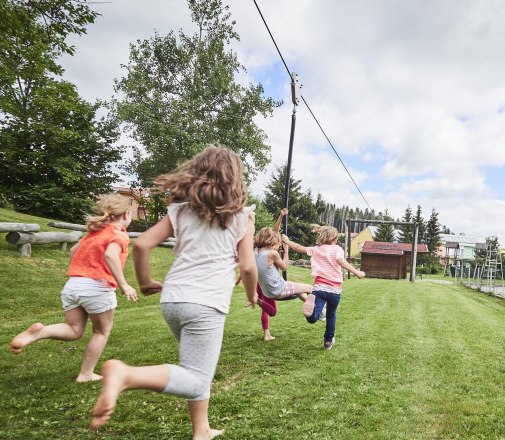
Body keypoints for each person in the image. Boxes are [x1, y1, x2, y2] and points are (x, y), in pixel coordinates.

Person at [90, 146, 259, 440]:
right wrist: (252, 295)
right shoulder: (242, 217)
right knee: (195, 378)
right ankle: (126, 375)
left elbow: (142, 244)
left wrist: (144, 283)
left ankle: (201, 430)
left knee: (196, 367)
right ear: (235, 179)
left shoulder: (179, 211)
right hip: (206, 304)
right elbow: (247, 267)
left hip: (173, 300)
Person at [9, 194, 138, 382]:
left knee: (74, 329)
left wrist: (77, 274)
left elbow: (73, 251)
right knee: (101, 332)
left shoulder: (93, 233)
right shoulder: (119, 234)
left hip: (73, 285)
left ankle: (41, 332)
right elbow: (111, 256)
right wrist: (124, 284)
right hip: (97, 287)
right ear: (126, 214)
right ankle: (86, 374)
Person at [282, 225, 365, 350]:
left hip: (319, 288)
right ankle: (328, 341)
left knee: (315, 316)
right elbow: (341, 262)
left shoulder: (316, 249)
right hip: (335, 289)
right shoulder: (337, 249)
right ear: (333, 239)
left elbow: (299, 248)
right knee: (331, 314)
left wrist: (287, 241)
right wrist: (357, 272)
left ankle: (310, 315)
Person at [247, 207, 312, 341]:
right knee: (309, 288)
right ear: (272, 240)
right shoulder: (272, 253)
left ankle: (310, 307)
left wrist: (281, 217)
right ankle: (316, 311)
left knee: (296, 290)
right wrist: (286, 249)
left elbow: (273, 233)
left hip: (265, 289)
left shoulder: (254, 250)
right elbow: (285, 267)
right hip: (278, 288)